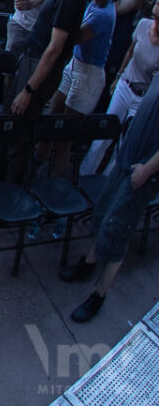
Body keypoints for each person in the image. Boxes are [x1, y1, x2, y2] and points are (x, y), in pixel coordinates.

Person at [59, 74, 159, 323]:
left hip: (144, 169)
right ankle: (88, 263)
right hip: (129, 155)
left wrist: (146, 171)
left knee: (118, 229)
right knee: (103, 213)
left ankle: (99, 294)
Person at [0, 0, 89, 184]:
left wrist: (28, 90)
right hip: (34, 60)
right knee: (14, 125)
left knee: (18, 128)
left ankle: (8, 190)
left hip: (38, 67)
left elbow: (55, 48)